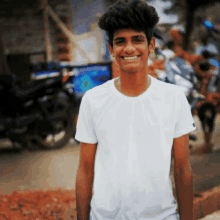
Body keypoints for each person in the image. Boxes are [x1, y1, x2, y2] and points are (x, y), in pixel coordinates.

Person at [75, 1, 196, 220]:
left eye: (137, 39)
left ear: (150, 46)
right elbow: (85, 170)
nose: (129, 48)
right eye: (120, 41)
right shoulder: (93, 100)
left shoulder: (174, 98)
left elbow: (182, 169)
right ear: (112, 49)